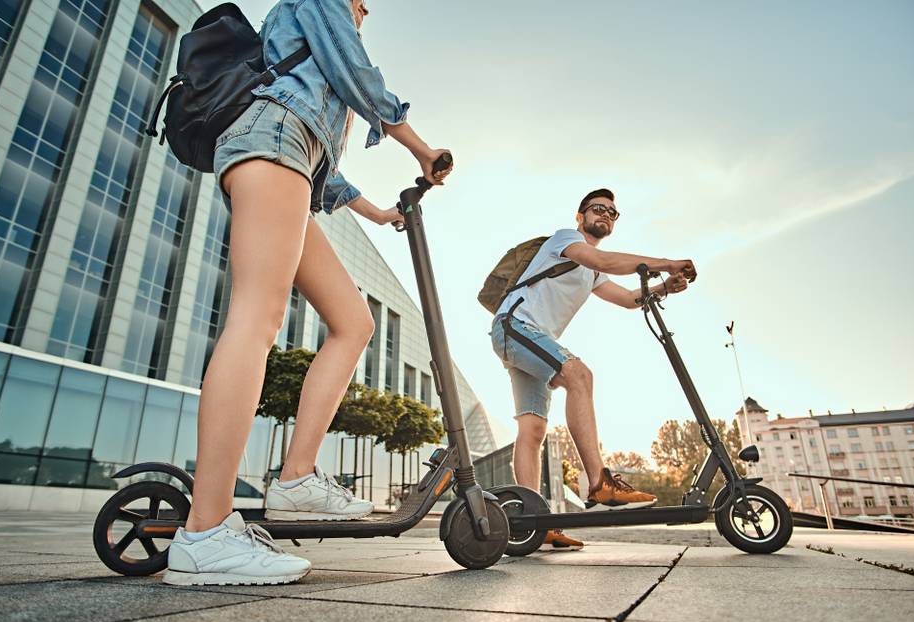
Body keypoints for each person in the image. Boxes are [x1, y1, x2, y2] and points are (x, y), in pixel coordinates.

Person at [164, 0, 451, 586]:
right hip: (271, 143)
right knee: (258, 316)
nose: (367, 8)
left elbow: (324, 159)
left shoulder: (304, 56)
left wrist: (375, 212)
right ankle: (204, 533)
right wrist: (419, 146)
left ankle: (296, 479)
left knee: (354, 322)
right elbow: (354, 71)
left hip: (287, 148)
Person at [490, 188, 695, 550]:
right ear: (580, 216)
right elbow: (605, 262)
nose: (605, 215)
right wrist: (666, 262)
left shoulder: (593, 273)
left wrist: (665, 287)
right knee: (579, 375)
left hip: (531, 339)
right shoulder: (566, 240)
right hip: (515, 326)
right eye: (598, 209)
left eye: (613, 213)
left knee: (533, 429)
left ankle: (531, 520)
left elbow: (630, 299)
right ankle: (600, 481)